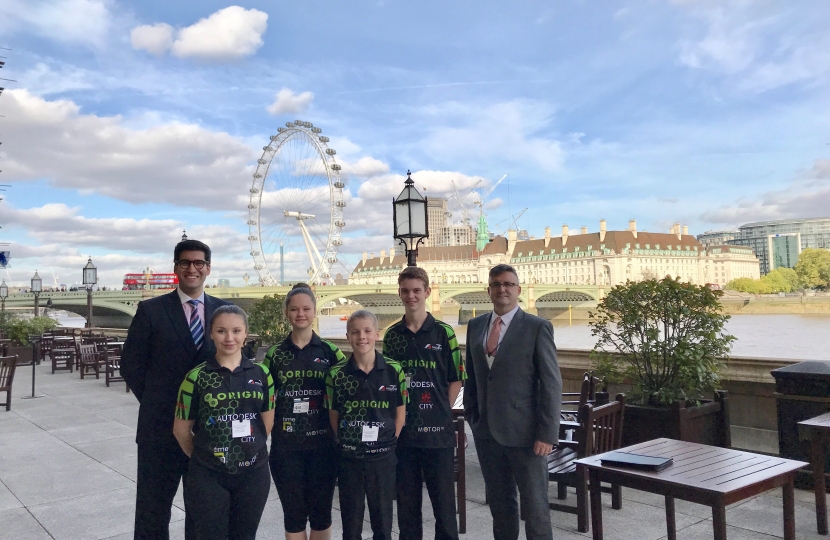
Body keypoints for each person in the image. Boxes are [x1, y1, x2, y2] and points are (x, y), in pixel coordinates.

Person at [121, 239, 231, 540]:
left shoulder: (225, 313)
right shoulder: (150, 310)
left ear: (208, 268)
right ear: (175, 268)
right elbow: (130, 366)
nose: (191, 269)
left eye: (198, 263)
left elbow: (235, 365)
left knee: (203, 512)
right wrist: (163, 403)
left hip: (209, 433)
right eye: (185, 263)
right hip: (160, 430)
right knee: (152, 511)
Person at [463, 263, 562, 540]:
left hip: (527, 435)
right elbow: (472, 375)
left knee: (535, 507)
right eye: (496, 284)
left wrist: (546, 434)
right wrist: (474, 416)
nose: (502, 289)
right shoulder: (475, 326)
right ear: (489, 290)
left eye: (508, 284)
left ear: (518, 290)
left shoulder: (537, 327)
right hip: (487, 433)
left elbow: (552, 384)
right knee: (500, 505)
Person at [173, 305, 275, 540]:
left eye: (236, 331)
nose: (229, 338)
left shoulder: (262, 374)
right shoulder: (195, 377)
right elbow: (181, 430)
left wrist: (247, 448)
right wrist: (207, 456)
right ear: (211, 333)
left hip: (253, 474)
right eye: (221, 331)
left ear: (246, 334)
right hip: (209, 475)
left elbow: (266, 423)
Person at [382, 267, 464, 540]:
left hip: (438, 434)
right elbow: (389, 380)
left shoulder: (444, 333)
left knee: (444, 506)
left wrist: (442, 408)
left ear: (427, 292)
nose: (411, 296)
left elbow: (456, 378)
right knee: (407, 506)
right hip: (404, 435)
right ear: (399, 294)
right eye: (405, 291)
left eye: (417, 290)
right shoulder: (392, 336)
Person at [263, 283, 346, 540]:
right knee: (294, 514)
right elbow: (264, 400)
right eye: (295, 309)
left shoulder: (331, 353)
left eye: (306, 309)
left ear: (314, 311)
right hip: (286, 447)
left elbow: (347, 393)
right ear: (287, 313)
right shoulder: (274, 355)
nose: (301, 314)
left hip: (323, 445)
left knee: (321, 514)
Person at [325, 310, 407, 540]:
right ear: (348, 336)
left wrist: (390, 442)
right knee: (351, 524)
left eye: (367, 331)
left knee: (383, 522)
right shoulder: (336, 374)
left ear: (377, 334)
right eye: (355, 332)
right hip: (350, 458)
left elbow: (400, 413)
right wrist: (345, 440)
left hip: (383, 457)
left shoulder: (394, 370)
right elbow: (334, 415)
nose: (362, 337)